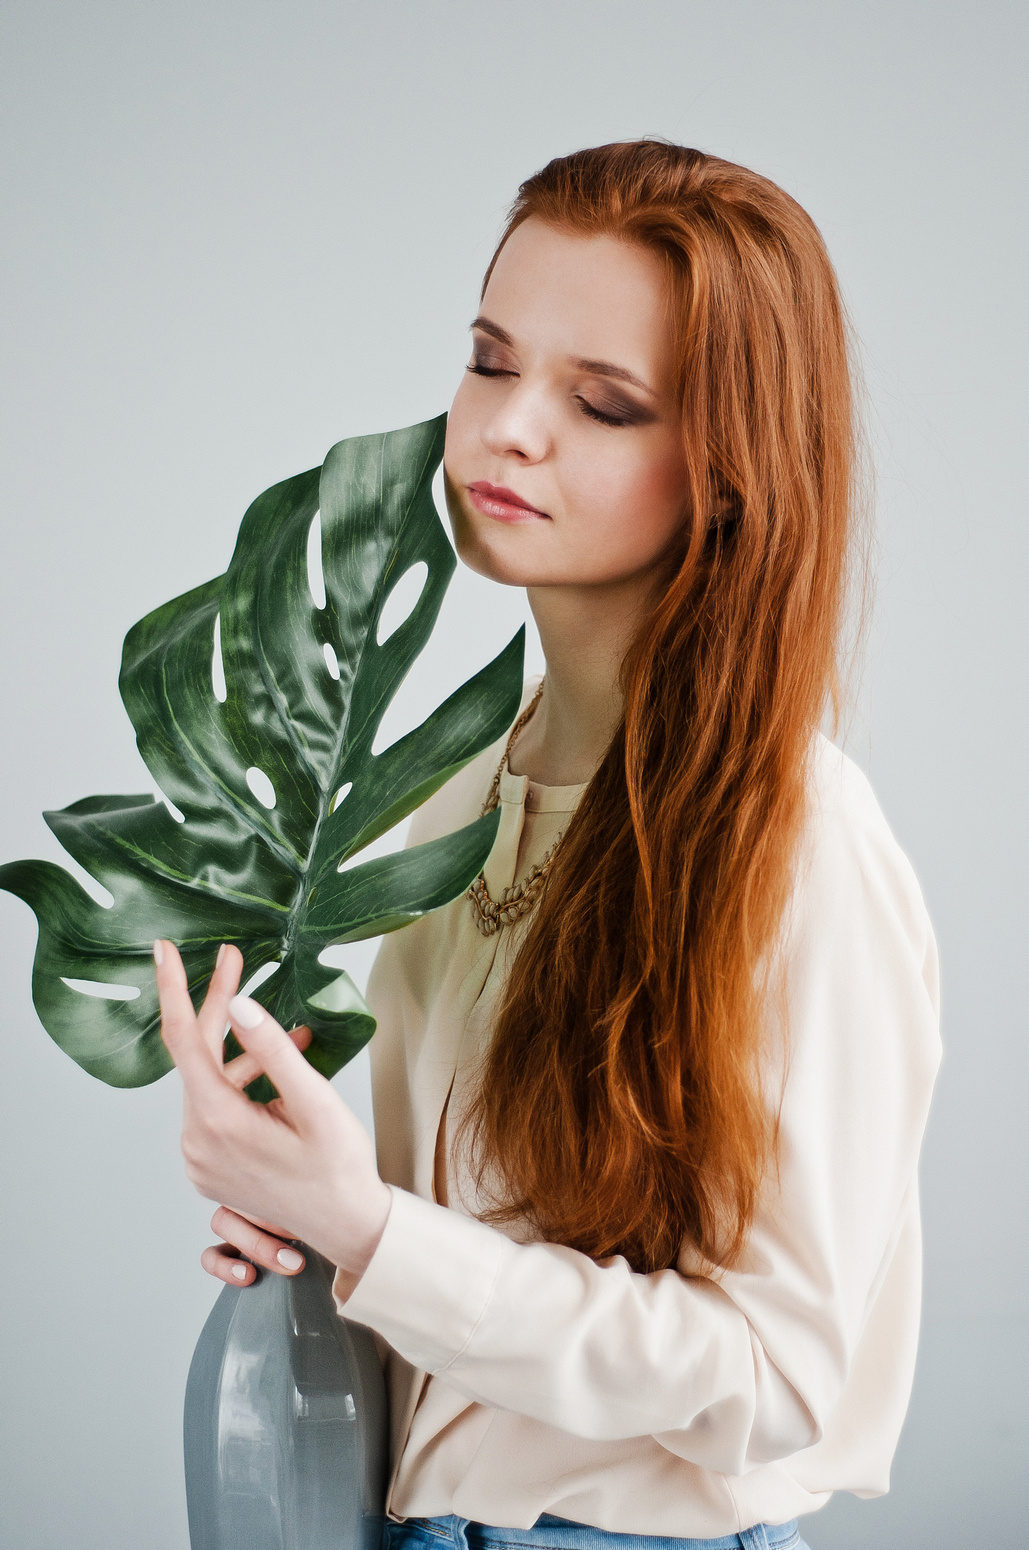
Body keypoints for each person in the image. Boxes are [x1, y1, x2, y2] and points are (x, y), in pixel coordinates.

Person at [154, 141, 941, 1550]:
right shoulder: (448, 802)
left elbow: (773, 1378)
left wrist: (384, 1240)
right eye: (488, 356)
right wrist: (315, 1220)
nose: (509, 428)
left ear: (727, 470)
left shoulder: (799, 846)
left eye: (604, 402)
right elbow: (447, 1278)